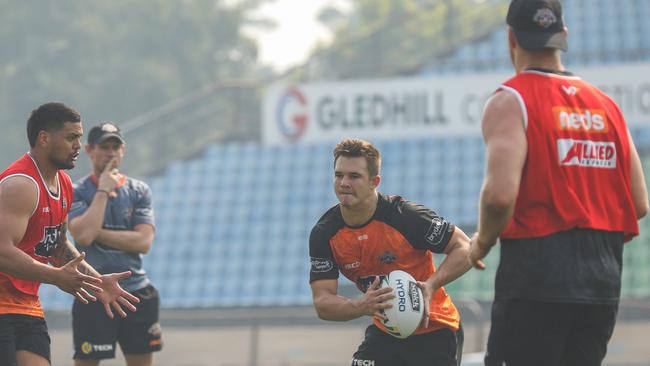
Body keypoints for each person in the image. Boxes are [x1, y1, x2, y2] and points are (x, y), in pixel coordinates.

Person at [468, 1, 649, 365]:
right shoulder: (607, 105)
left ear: (511, 39)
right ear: (563, 36)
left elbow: (500, 196)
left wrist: (482, 242)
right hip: (603, 279)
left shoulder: (511, 99)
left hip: (537, 276)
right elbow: (639, 203)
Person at [309, 138, 472, 366]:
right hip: (386, 331)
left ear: (374, 181)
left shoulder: (405, 216)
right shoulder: (324, 233)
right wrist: (359, 306)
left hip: (434, 328)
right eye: (339, 175)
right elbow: (322, 302)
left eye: (354, 176)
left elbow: (464, 247)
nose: (344, 182)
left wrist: (431, 286)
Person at [0, 102, 140, 366]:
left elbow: (57, 245)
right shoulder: (21, 185)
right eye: (71, 137)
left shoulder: (63, 182)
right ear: (44, 138)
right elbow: (2, 252)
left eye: (79, 137)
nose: (78, 145)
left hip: (27, 305)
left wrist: (99, 283)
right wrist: (55, 277)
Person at [68, 122, 161, 366]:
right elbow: (84, 237)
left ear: (123, 150)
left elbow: (143, 242)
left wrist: (97, 230)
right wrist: (103, 191)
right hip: (93, 292)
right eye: (104, 147)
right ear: (89, 149)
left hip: (136, 292)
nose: (110, 153)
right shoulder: (76, 191)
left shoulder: (139, 190)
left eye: (115, 147)